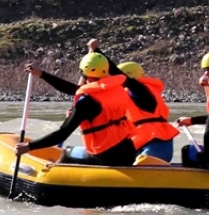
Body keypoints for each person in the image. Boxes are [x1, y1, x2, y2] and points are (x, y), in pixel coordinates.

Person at [15, 41, 157, 166]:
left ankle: (55, 175)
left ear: (84, 73)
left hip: (106, 156)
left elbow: (62, 134)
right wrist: (42, 74)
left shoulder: (87, 101)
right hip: (129, 152)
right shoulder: (118, 89)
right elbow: (74, 89)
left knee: (67, 152)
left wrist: (29, 147)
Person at [117, 61, 179, 162]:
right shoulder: (128, 92)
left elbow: (132, 86)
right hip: (141, 141)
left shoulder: (140, 91)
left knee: (141, 162)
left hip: (156, 141)